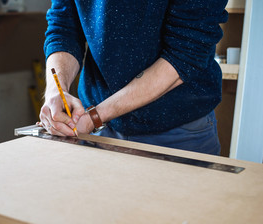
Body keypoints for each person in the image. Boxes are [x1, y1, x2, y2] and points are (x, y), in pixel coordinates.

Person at [39, 0, 228, 155]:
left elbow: (185, 54)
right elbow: (64, 27)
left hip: (178, 132)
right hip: (98, 130)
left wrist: (94, 117)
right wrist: (56, 91)